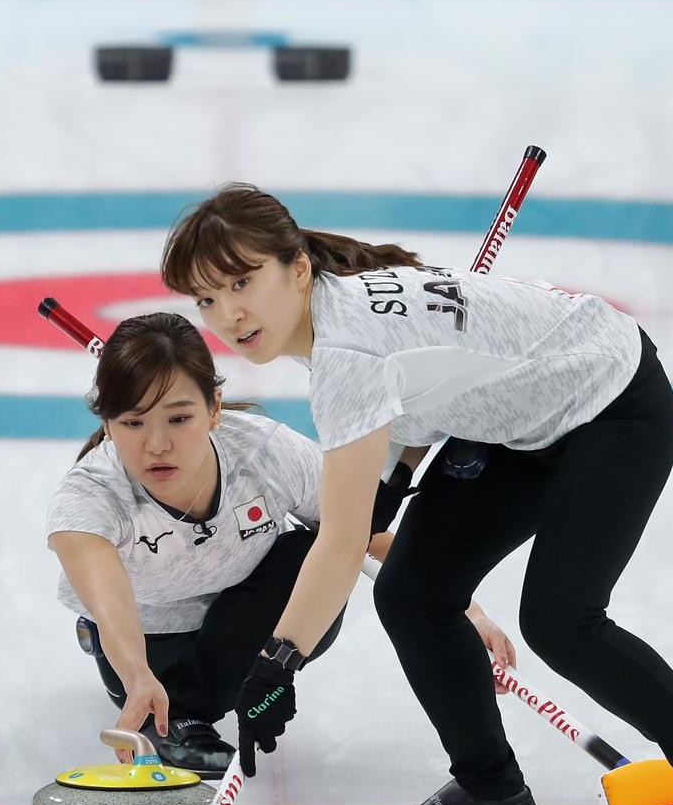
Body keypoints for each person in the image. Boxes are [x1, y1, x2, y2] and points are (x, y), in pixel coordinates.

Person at [157, 184, 673, 805]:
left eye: (243, 283)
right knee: (413, 592)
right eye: (207, 299)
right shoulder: (338, 307)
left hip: (612, 404)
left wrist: (277, 663)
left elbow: (339, 543)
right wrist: (392, 474)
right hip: (518, 421)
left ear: (297, 268)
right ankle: (492, 796)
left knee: (561, 620)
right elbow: (424, 383)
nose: (229, 314)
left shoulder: (344, 353)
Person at [46, 313, 515, 777]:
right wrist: (136, 676)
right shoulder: (90, 494)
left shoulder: (266, 452)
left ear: (214, 409)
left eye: (179, 418)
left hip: (243, 632)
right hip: (147, 649)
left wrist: (466, 614)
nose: (157, 444)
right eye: (132, 423)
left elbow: (363, 534)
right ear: (107, 425)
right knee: (146, 647)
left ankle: (195, 704)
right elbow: (111, 606)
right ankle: (175, 714)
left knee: (315, 550)